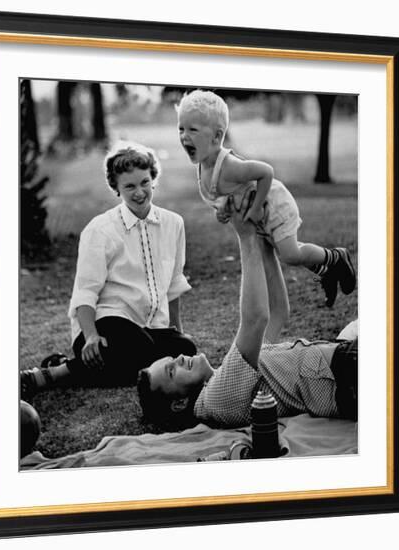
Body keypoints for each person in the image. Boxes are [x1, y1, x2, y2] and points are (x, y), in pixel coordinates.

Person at [137, 195, 357, 430]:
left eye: (172, 359)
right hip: (348, 373)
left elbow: (277, 312)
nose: (179, 358)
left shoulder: (231, 374)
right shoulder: (216, 399)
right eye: (172, 370)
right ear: (179, 404)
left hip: (344, 360)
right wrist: (246, 236)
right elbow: (256, 320)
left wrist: (263, 243)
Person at [21, 141, 196, 400]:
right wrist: (90, 336)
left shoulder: (173, 224)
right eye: (129, 186)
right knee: (138, 347)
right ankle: (51, 375)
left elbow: (174, 284)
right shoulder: (100, 229)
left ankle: (65, 366)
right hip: (106, 326)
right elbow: (85, 292)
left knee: (186, 349)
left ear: (153, 179)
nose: (139, 192)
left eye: (144, 183)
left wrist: (176, 331)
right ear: (116, 188)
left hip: (147, 329)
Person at [176, 89, 356, 307]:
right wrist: (222, 211)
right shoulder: (204, 166)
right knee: (286, 251)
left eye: (192, 130)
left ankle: (335, 257)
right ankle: (325, 271)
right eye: (181, 129)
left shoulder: (231, 167)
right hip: (261, 216)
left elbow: (266, 172)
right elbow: (226, 196)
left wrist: (255, 208)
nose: (184, 135)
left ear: (216, 136)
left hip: (275, 205)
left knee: (290, 254)